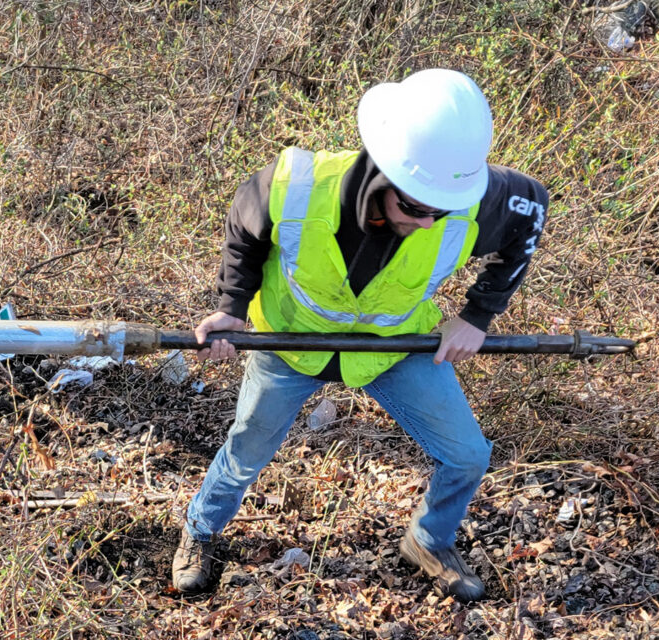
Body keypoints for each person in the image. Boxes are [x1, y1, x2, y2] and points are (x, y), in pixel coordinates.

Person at [171, 68, 549, 602]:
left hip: (393, 348)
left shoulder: (472, 195)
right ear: (382, 177)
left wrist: (477, 315)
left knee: (467, 454)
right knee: (247, 451)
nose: (426, 223)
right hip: (290, 345)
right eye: (413, 208)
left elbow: (533, 210)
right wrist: (232, 307)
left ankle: (428, 540)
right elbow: (243, 227)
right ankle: (201, 530)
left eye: (439, 212)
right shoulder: (296, 183)